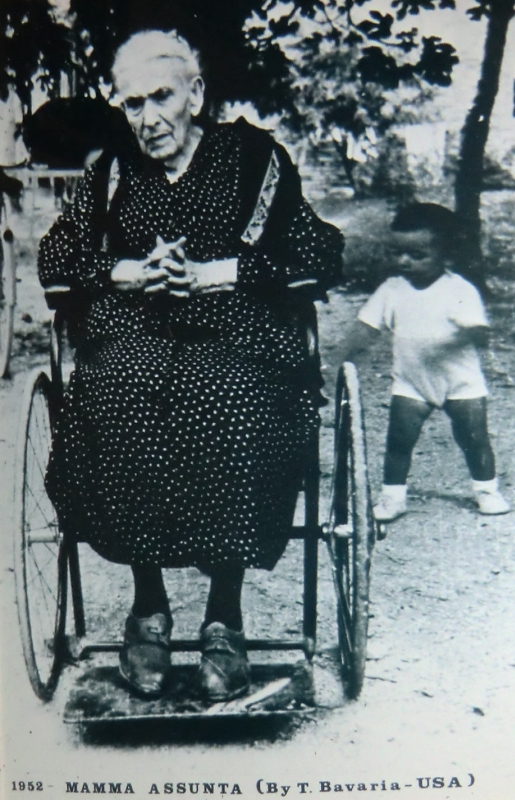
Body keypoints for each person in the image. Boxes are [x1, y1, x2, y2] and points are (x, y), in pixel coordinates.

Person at [38, 28, 343, 701]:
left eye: (161, 98)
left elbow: (317, 253)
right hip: (135, 333)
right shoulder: (110, 172)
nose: (147, 119)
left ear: (195, 94)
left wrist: (222, 273)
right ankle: (148, 608)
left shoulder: (251, 157)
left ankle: (223, 617)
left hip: (234, 331)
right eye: (132, 103)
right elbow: (57, 261)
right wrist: (125, 272)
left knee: (231, 395)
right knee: (114, 391)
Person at [341, 202, 510, 522]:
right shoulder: (392, 290)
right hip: (411, 381)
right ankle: (393, 496)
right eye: (397, 253)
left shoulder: (459, 289)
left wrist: (457, 339)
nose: (404, 261)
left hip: (460, 381)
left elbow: (479, 331)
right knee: (399, 441)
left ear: (446, 255)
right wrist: (340, 360)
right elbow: (365, 328)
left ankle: (486, 489)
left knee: (474, 437)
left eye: (417, 256)